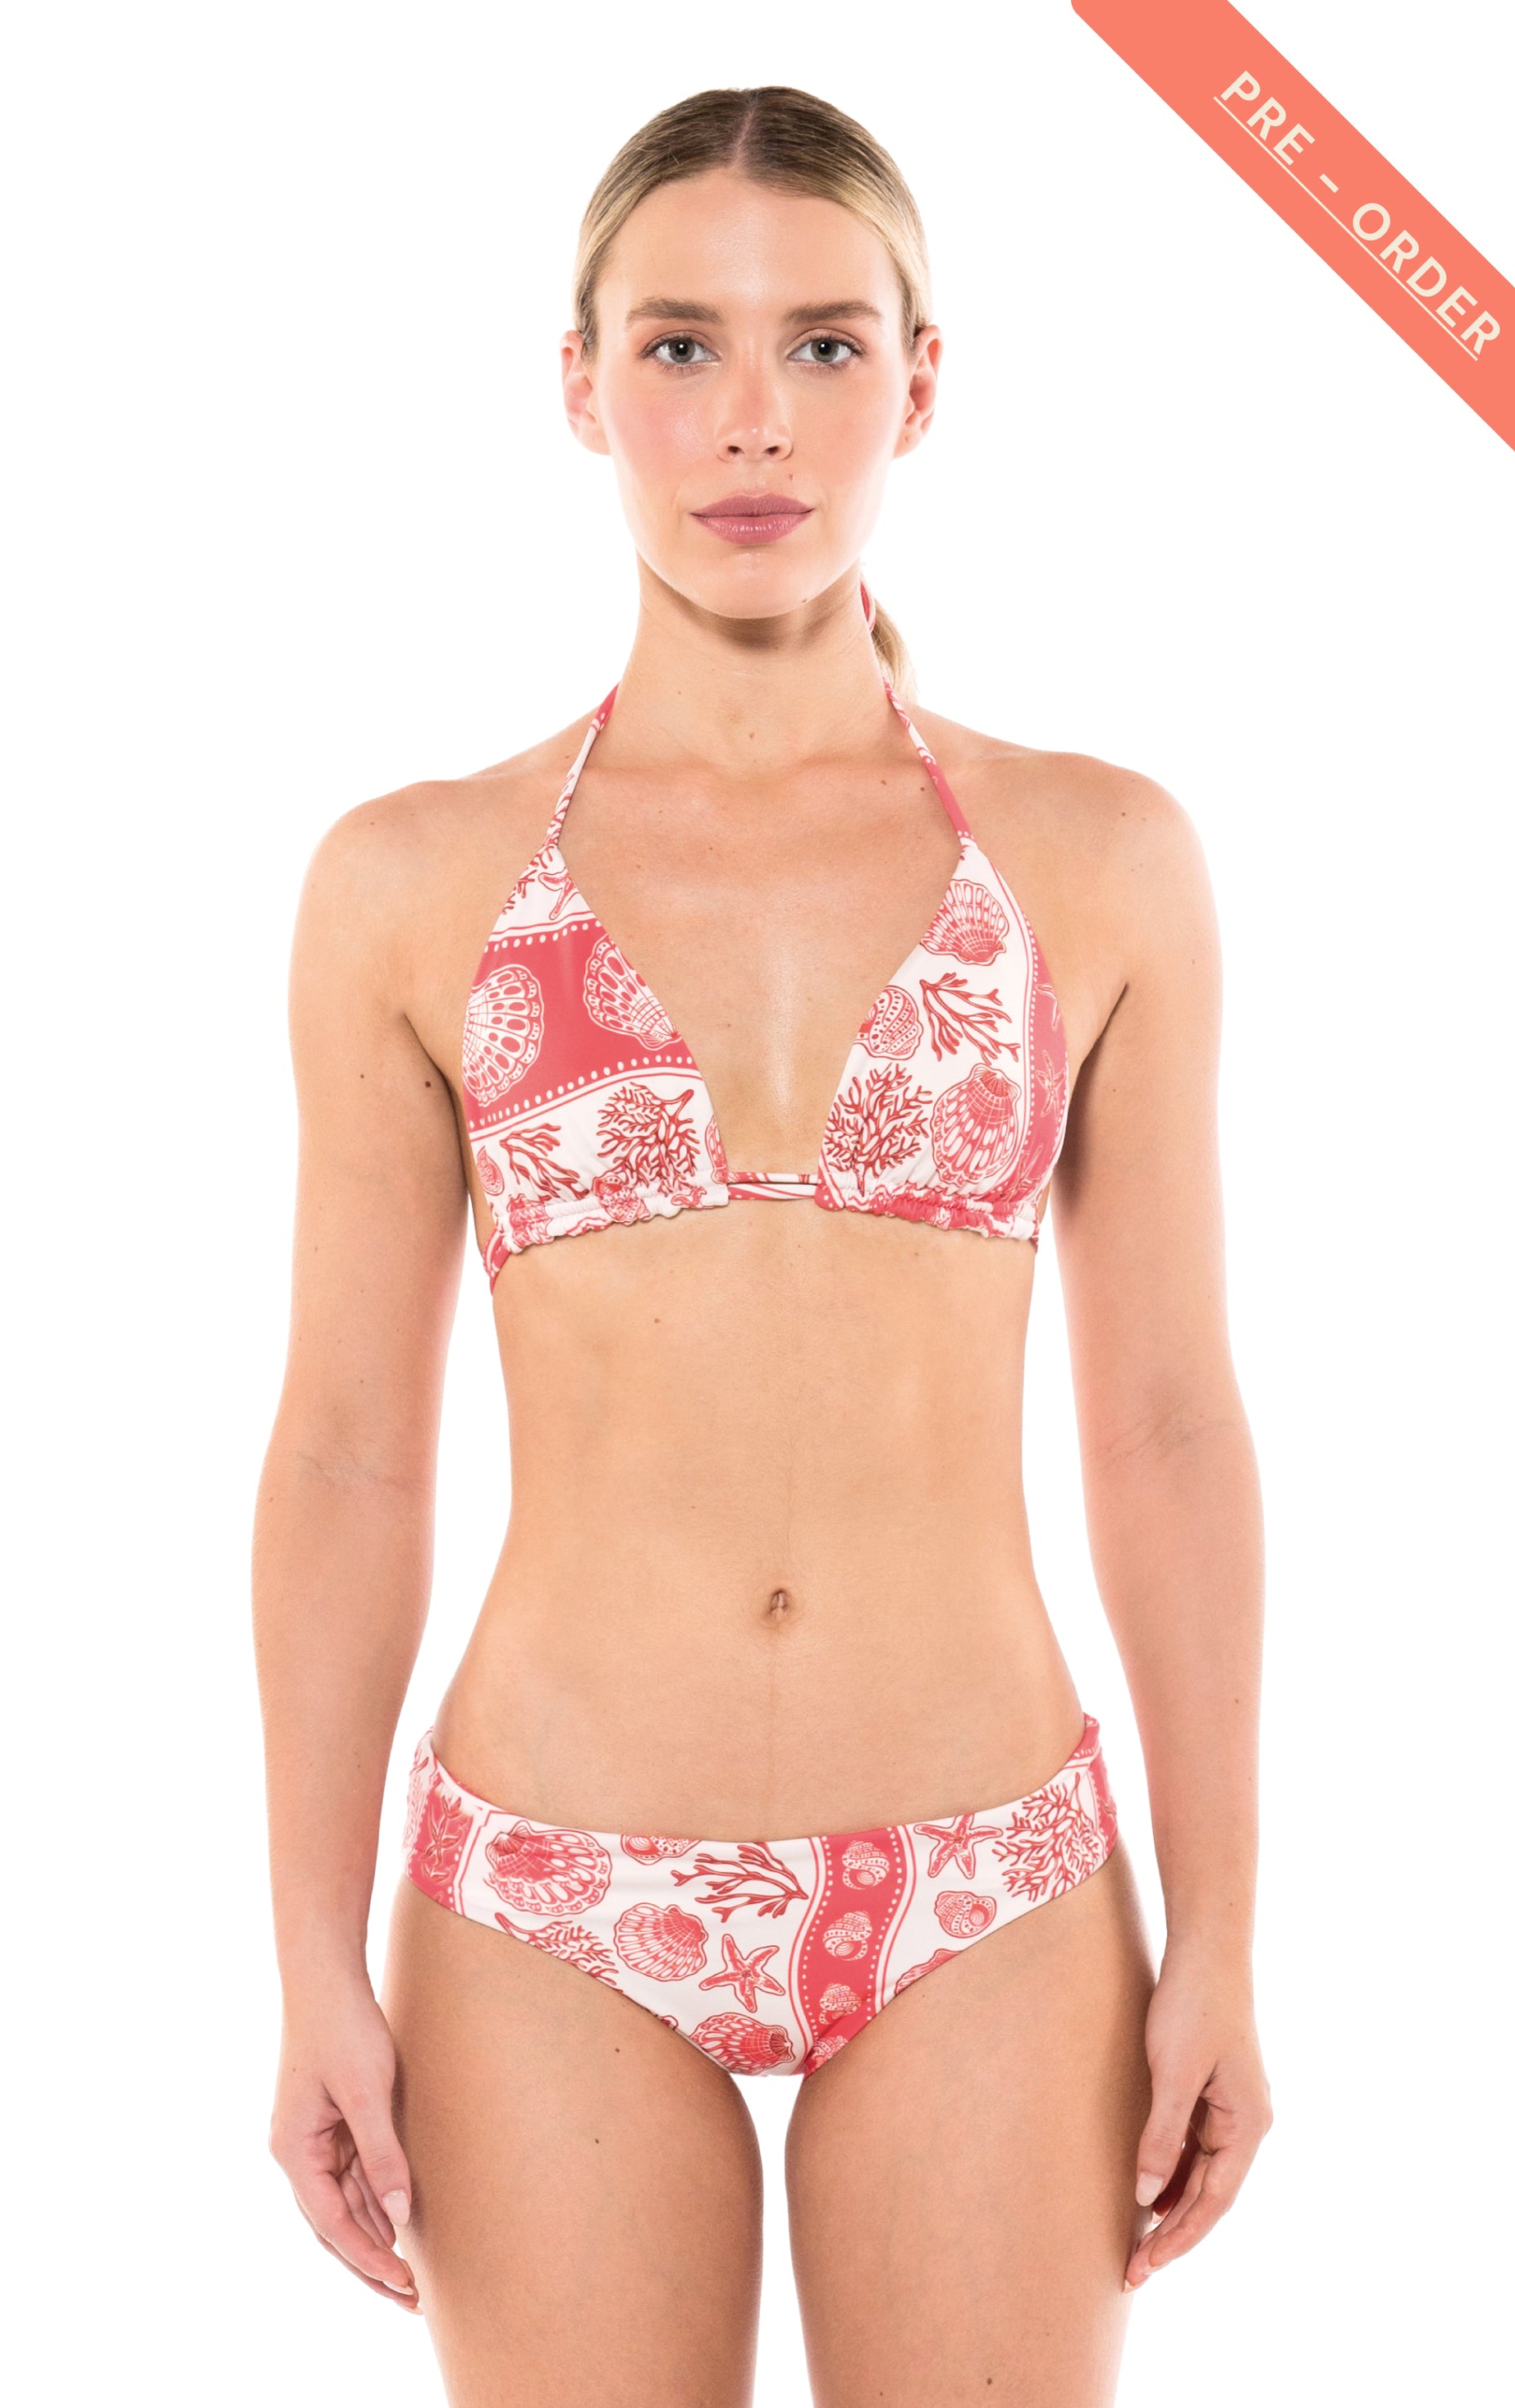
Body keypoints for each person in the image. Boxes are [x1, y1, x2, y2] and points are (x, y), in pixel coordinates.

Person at [253, 83, 1271, 2408]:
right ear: (579, 384)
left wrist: (1219, 1924)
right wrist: (310, 1951)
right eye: (679, 346)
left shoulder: (1099, 856)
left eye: (824, 345)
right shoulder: (410, 881)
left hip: (992, 1884)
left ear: (922, 382)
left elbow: (1169, 1427)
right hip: (549, 1896)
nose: (751, 419)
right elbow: (344, 1455)